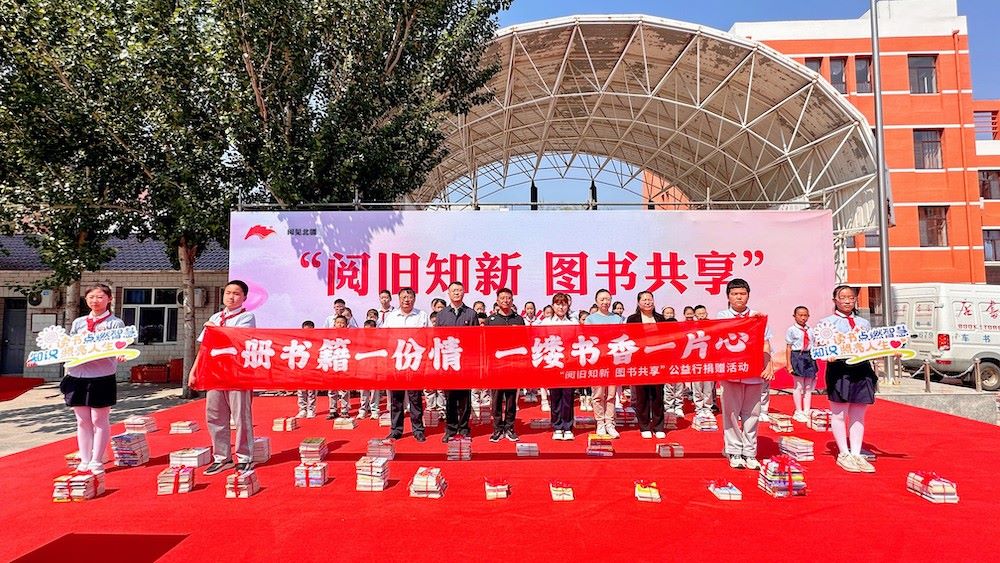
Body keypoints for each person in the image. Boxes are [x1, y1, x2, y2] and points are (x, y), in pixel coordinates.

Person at [191, 280, 257, 475]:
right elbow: (204, 347)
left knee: (241, 416)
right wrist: (194, 371)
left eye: (236, 293)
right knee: (215, 415)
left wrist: (214, 328)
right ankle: (222, 457)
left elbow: (235, 339)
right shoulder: (215, 317)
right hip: (215, 373)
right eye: (228, 292)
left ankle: (245, 457)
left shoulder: (247, 317)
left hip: (238, 374)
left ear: (244, 297)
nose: (231, 297)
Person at [60, 283, 125, 474]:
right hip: (76, 375)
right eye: (91, 297)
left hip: (101, 376)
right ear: (85, 299)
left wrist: (121, 352)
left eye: (100, 297)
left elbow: (120, 345)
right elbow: (69, 346)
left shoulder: (115, 323)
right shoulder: (79, 322)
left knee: (99, 419)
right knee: (82, 421)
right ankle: (85, 458)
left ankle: (97, 460)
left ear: (109, 299)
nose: (95, 301)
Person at [716, 278, 773, 471]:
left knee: (752, 413)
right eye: (734, 294)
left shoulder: (758, 317)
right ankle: (733, 450)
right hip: (731, 371)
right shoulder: (722, 316)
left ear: (748, 295)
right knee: (731, 413)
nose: (739, 297)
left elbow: (766, 343)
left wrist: (768, 365)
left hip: (753, 371)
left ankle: (749, 452)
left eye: (742, 294)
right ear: (728, 297)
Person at [824, 286, 877, 473]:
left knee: (858, 414)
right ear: (835, 300)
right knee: (839, 414)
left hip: (862, 369)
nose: (847, 301)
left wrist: (888, 349)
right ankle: (843, 453)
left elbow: (871, 345)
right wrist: (826, 355)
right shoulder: (826, 323)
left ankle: (856, 453)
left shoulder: (864, 323)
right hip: (839, 370)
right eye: (843, 297)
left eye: (851, 298)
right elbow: (819, 346)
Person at [382, 287, 429, 442]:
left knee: (415, 398)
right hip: (396, 362)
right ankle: (396, 429)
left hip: (415, 361)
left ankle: (418, 429)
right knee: (396, 398)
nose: (406, 300)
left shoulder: (422, 316)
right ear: (399, 299)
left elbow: (429, 337)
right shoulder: (391, 317)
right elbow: (383, 337)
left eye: (409, 297)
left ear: (414, 299)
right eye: (403, 297)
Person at [437, 281, 478, 441]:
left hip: (465, 363)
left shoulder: (471, 314)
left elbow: (475, 339)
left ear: (463, 293)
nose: (456, 293)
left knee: (465, 398)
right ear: (448, 293)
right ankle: (451, 429)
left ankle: (464, 428)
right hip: (448, 362)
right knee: (450, 398)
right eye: (453, 290)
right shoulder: (442, 315)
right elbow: (437, 339)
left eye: (459, 290)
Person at [626, 291, 668, 439]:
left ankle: (658, 426)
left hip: (658, 361)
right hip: (640, 361)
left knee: (658, 394)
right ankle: (644, 425)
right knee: (642, 394)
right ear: (638, 303)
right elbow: (630, 339)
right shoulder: (632, 319)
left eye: (650, 299)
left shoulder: (660, 319)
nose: (647, 302)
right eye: (644, 300)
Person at [486, 288, 525, 442]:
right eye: (502, 298)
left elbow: (523, 341)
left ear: (512, 300)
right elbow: (486, 343)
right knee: (496, 399)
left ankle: (509, 427)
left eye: (508, 298)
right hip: (496, 366)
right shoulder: (491, 320)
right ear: (497, 301)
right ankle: (497, 428)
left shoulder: (519, 320)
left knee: (511, 399)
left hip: (513, 365)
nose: (505, 301)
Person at [585, 289, 624, 438]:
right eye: (602, 299)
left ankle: (610, 422)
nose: (605, 302)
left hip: (612, 360)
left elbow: (621, 337)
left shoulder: (617, 319)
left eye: (608, 299)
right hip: (597, 361)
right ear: (596, 301)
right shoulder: (590, 319)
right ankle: (600, 422)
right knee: (598, 393)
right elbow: (588, 340)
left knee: (611, 394)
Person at [539, 293, 578, 440]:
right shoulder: (545, 323)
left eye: (564, 304)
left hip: (568, 364)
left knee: (568, 396)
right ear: (553, 306)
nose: (561, 307)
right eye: (558, 304)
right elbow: (540, 342)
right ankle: (557, 426)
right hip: (553, 364)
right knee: (555, 396)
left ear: (568, 306)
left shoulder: (573, 323)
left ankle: (567, 427)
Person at [786, 305, 819, 423]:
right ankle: (798, 411)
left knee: (808, 386)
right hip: (797, 356)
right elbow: (789, 347)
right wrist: (789, 364)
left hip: (809, 356)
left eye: (805, 315)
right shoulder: (791, 330)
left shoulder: (811, 330)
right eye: (800, 315)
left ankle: (806, 410)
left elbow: (814, 344)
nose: (803, 318)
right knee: (799, 385)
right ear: (794, 316)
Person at [690, 305, 717, 417]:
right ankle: (699, 407)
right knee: (697, 386)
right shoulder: (691, 328)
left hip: (709, 360)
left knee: (708, 386)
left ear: (706, 313)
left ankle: (708, 407)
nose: (701, 316)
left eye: (703, 313)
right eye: (699, 314)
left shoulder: (712, 326)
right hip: (696, 361)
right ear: (695, 315)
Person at [324, 315, 352, 419]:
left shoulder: (350, 336)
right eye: (338, 322)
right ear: (334, 324)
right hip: (333, 365)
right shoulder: (329, 337)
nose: (340, 324)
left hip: (344, 365)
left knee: (344, 389)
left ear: (346, 325)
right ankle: (333, 410)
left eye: (342, 323)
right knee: (332, 389)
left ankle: (344, 409)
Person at [296, 320, 317, 418]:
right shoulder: (298, 342)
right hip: (301, 369)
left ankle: (311, 409)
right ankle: (302, 409)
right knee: (301, 391)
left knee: (311, 391)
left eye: (310, 330)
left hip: (312, 370)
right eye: (305, 330)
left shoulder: (316, 342)